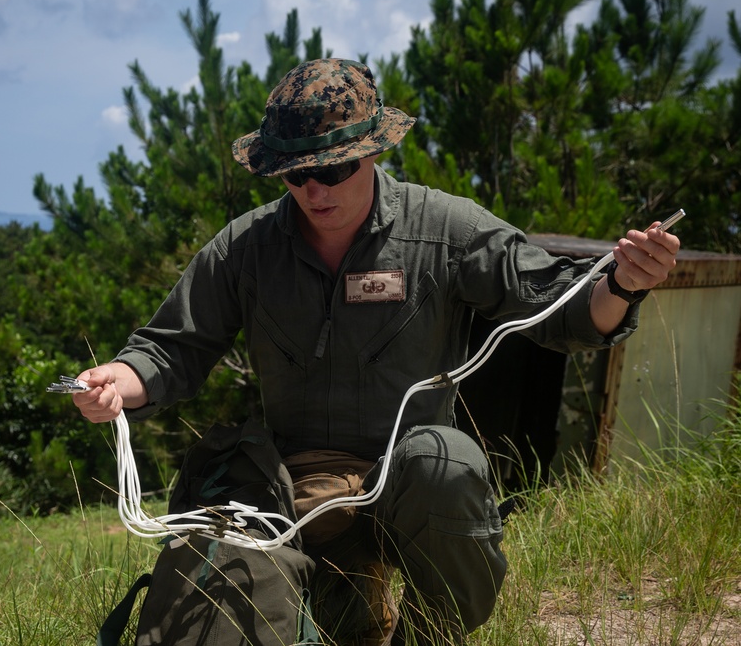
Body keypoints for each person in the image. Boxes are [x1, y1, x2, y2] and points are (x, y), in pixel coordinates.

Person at [72, 58, 680, 645]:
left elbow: (559, 308)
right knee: (224, 575)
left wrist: (624, 284)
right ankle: (340, 599)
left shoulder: (446, 229)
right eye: (294, 174)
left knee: (447, 460)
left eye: (333, 170)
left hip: (410, 490)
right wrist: (116, 382)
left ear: (373, 153)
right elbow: (173, 347)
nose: (314, 189)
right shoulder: (246, 249)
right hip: (296, 502)